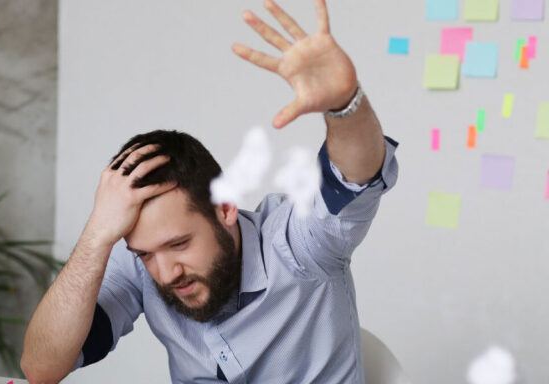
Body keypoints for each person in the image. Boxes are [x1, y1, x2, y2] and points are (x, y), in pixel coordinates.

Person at [21, 0, 398, 382]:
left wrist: (344, 104)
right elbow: (42, 368)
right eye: (145, 254)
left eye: (179, 244)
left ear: (225, 207)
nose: (166, 273)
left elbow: (355, 176)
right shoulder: (142, 261)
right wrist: (96, 238)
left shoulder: (298, 246)